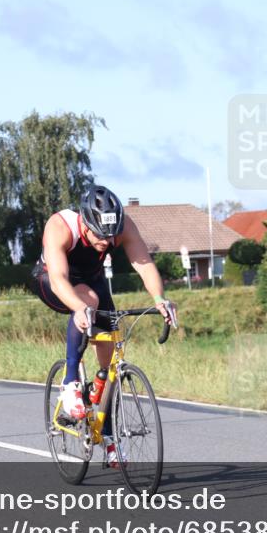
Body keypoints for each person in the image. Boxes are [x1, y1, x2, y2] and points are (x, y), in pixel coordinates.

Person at [30, 179, 176, 467]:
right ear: (85, 222)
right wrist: (79, 308)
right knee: (89, 302)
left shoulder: (122, 228)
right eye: (100, 236)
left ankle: (109, 437)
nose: (107, 243)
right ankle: (70, 382)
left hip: (92, 281)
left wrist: (160, 298)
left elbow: (143, 263)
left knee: (110, 367)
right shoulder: (61, 225)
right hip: (52, 279)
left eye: (111, 236)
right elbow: (60, 280)